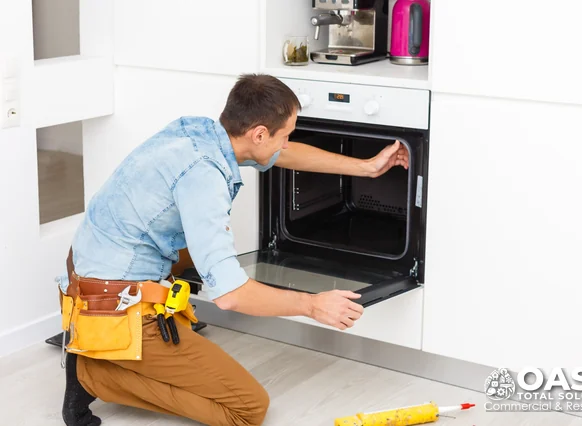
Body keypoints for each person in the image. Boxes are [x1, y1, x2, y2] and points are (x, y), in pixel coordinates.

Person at [57, 73, 409, 426]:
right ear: (258, 133)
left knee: (201, 247)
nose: (286, 144)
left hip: (86, 267)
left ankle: (109, 347)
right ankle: (92, 371)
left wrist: (366, 167)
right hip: (112, 303)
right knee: (247, 408)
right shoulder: (204, 178)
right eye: (285, 135)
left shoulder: (198, 132)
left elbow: (281, 156)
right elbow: (230, 296)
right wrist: (312, 305)